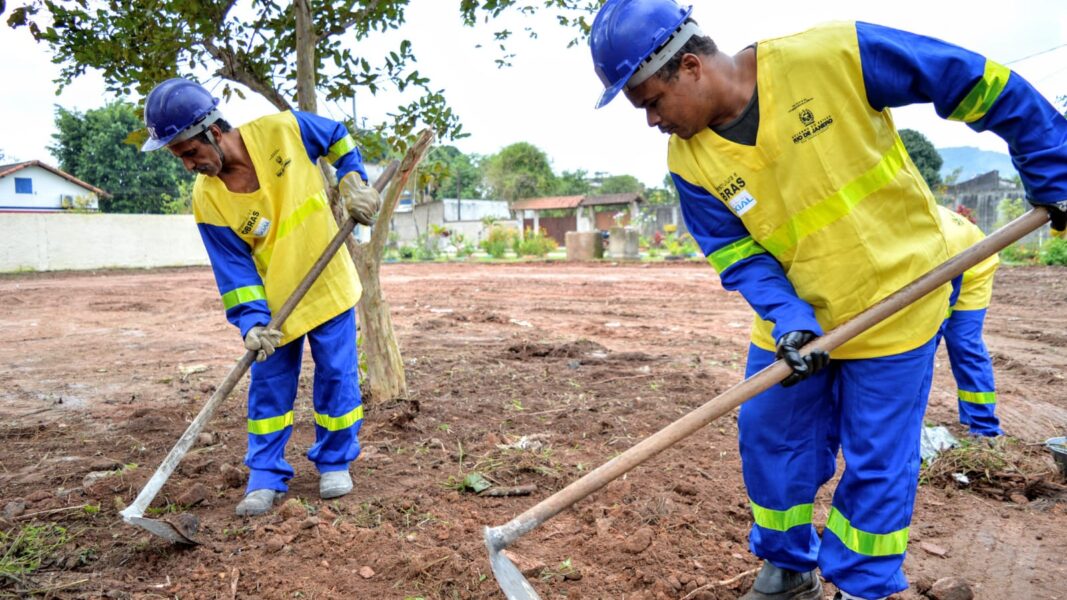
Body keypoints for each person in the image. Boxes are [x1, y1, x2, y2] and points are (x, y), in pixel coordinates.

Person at [588, 1, 1067, 599]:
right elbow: (739, 256)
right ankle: (788, 569)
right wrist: (790, 321)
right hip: (797, 319)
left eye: (652, 102)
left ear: (689, 66)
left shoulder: (833, 56)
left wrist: (1054, 169)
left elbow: (976, 80)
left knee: (877, 460)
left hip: (898, 299)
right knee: (771, 435)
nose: (654, 122)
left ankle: (863, 587)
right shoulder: (688, 161)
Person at [140, 78, 382, 516]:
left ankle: (334, 463)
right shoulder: (207, 198)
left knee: (336, 377)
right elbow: (233, 267)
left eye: (190, 152)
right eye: (180, 158)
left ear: (213, 130)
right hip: (275, 309)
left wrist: (352, 183)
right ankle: (266, 476)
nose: (190, 165)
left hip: (329, 285)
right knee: (269, 392)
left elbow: (336, 136)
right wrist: (252, 322)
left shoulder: (282, 130)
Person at [936, 206, 1002, 437]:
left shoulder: (918, 230)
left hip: (974, 269)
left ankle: (985, 429)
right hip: (943, 266)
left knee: (964, 344)